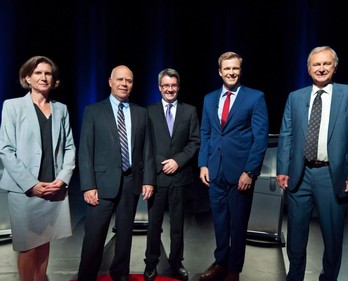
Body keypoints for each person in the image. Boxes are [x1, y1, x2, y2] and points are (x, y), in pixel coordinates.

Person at [276, 46, 348, 281]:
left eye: (326, 64)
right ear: (308, 69)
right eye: (316, 64)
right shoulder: (295, 97)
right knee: (296, 237)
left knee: (332, 237)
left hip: (331, 175)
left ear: (334, 67)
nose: (321, 68)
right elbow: (286, 134)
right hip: (300, 174)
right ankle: (294, 277)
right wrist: (282, 169)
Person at [0, 56, 76, 281]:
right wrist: (31, 185)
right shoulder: (13, 106)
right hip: (25, 190)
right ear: (27, 78)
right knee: (28, 247)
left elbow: (70, 147)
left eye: (48, 73)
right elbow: (5, 149)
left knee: (44, 242)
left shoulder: (61, 109)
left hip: (54, 187)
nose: (44, 77)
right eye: (38, 73)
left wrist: (62, 179)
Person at [77, 65, 156, 281]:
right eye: (119, 79)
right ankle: (86, 277)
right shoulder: (93, 111)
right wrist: (88, 185)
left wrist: (148, 179)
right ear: (110, 81)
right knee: (94, 237)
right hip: (100, 186)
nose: (124, 84)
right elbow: (85, 151)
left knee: (124, 237)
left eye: (128, 80)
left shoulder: (141, 113)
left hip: (131, 182)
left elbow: (147, 149)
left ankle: (120, 275)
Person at [198, 51, 269, 281]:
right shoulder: (209, 99)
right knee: (219, 223)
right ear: (220, 72)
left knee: (238, 226)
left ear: (240, 70)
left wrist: (250, 171)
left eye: (235, 68)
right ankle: (220, 262)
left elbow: (260, 138)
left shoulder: (255, 97)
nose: (231, 72)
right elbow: (206, 134)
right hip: (215, 171)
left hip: (241, 174)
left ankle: (233, 270)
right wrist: (203, 165)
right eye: (226, 69)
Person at [143, 68, 200, 281]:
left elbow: (195, 142)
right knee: (154, 225)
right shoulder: (148, 111)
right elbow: (145, 144)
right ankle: (150, 263)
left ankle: (176, 262)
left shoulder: (189, 111)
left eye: (173, 85)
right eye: (165, 85)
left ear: (178, 87)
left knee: (177, 225)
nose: (170, 89)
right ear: (159, 87)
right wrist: (161, 164)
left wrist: (178, 161)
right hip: (156, 178)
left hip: (180, 177)